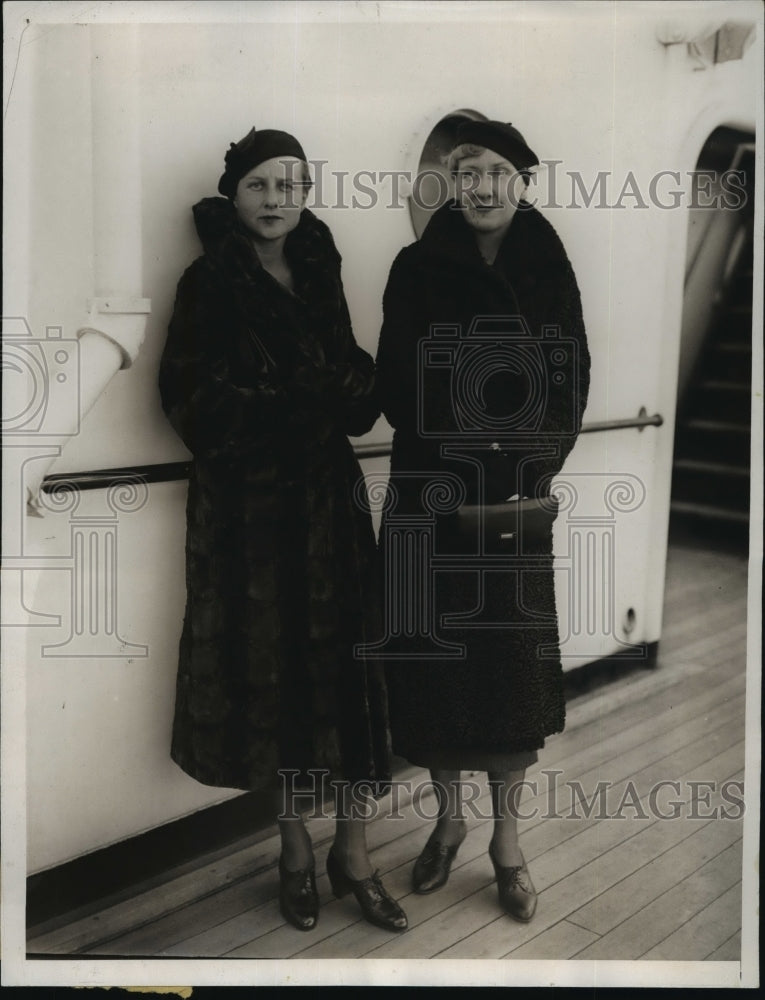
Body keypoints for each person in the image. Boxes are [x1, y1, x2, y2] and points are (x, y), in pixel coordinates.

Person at [159, 127, 407, 934]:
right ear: (233, 195)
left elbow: (356, 381)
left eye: (292, 186)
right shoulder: (207, 283)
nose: (279, 202)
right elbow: (193, 404)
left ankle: (355, 852)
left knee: (350, 679)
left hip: (330, 503)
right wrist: (312, 392)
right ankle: (296, 851)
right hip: (253, 519)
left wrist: (332, 384)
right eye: (262, 186)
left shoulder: (319, 267)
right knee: (285, 689)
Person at [375, 119, 590, 922]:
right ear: (449, 182)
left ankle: (507, 843)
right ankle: (448, 824)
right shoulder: (413, 264)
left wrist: (524, 465)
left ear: (522, 179)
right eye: (468, 171)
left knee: (508, 677)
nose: (483, 186)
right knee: (433, 673)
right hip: (428, 496)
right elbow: (400, 380)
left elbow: (569, 374)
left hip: (511, 497)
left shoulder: (546, 261)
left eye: (499, 170)